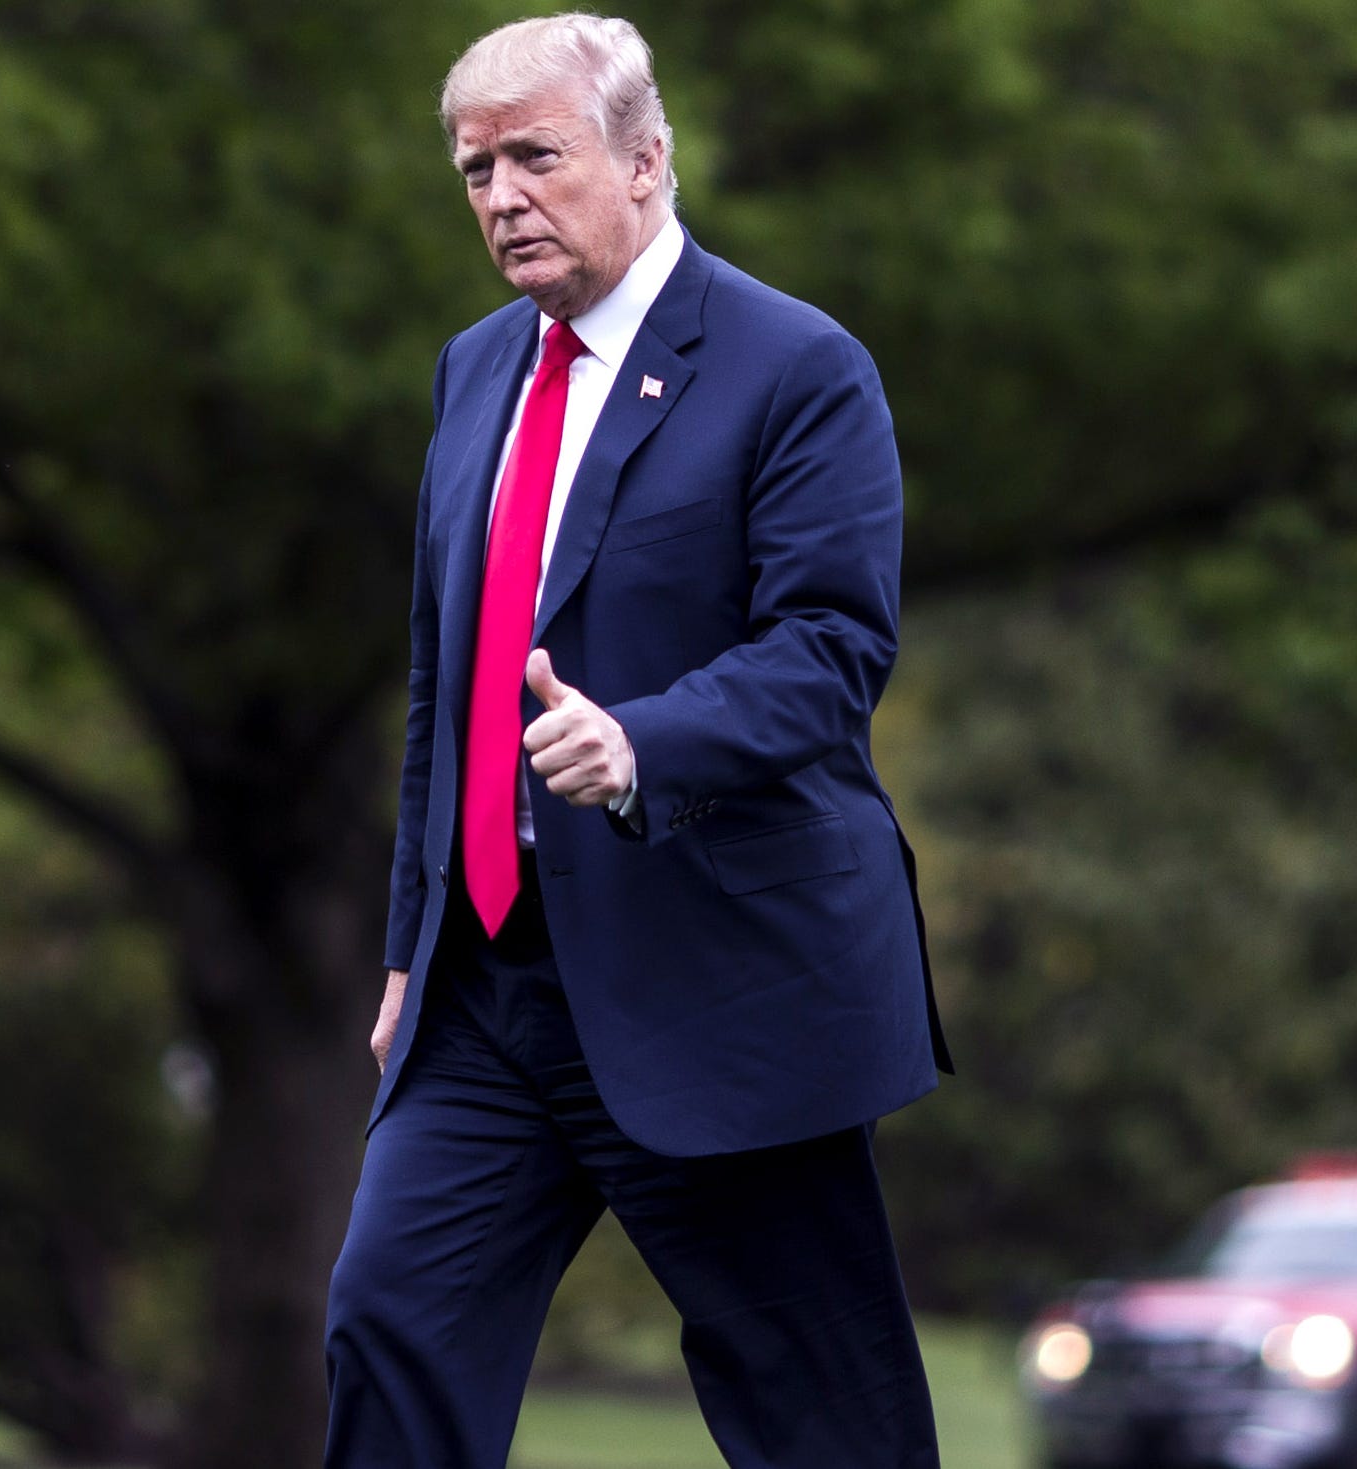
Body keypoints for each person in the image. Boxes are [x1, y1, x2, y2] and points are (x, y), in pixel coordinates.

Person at [324, 14, 952, 1468]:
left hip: (720, 977)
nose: (501, 198)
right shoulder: (473, 371)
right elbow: (449, 678)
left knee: (819, 1410)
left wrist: (643, 745)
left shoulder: (801, 366)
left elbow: (831, 651)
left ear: (648, 160)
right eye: (476, 170)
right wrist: (412, 940)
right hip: (490, 985)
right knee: (387, 1323)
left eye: (536, 157)